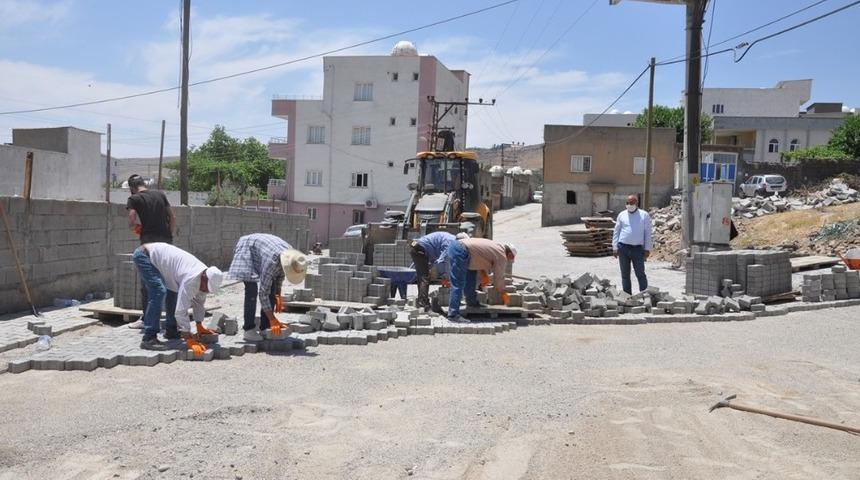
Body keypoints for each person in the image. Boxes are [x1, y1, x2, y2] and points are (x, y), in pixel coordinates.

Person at [132, 242, 223, 356]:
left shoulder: (203, 280)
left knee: (173, 294)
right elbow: (181, 311)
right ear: (204, 277)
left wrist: (199, 325)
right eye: (206, 288)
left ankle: (172, 331)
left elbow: (199, 302)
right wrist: (188, 338)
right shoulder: (192, 278)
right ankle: (149, 338)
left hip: (163, 263)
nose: (206, 291)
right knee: (159, 291)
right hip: (145, 256)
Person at [228, 234, 308, 341]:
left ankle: (265, 327)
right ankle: (248, 330)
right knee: (252, 290)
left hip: (262, 250)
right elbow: (263, 293)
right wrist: (273, 318)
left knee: (272, 288)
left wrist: (277, 295)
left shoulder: (290, 256)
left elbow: (280, 274)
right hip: (247, 248)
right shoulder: (273, 261)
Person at [126, 174, 176, 329]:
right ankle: (170, 321)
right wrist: (169, 235)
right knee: (168, 281)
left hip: (148, 244)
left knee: (148, 281)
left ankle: (146, 319)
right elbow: (172, 217)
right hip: (166, 242)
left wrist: (138, 230)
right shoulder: (160, 195)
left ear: (132, 188)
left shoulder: (134, 198)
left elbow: (131, 221)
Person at [445, 237, 516, 322]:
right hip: (460, 250)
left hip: (462, 250)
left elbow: (481, 256)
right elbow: (499, 277)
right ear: (510, 254)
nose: (509, 260)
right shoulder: (501, 254)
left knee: (471, 277)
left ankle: (471, 302)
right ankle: (453, 315)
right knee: (458, 283)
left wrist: (483, 274)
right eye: (511, 258)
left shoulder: (497, 247)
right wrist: (503, 292)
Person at [612, 195, 653, 294]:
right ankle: (627, 296)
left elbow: (647, 233)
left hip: (637, 249)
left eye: (631, 203)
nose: (629, 205)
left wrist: (647, 248)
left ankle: (644, 295)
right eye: (627, 203)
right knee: (625, 274)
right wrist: (614, 247)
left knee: (640, 273)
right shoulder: (622, 215)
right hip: (623, 248)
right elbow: (616, 231)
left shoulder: (644, 215)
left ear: (636, 203)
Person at [410, 231, 457, 311]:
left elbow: (434, 255)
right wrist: (443, 275)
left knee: (422, 277)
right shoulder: (451, 242)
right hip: (420, 249)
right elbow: (440, 261)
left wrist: (430, 266)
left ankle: (421, 301)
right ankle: (424, 305)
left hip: (416, 247)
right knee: (424, 278)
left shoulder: (448, 237)